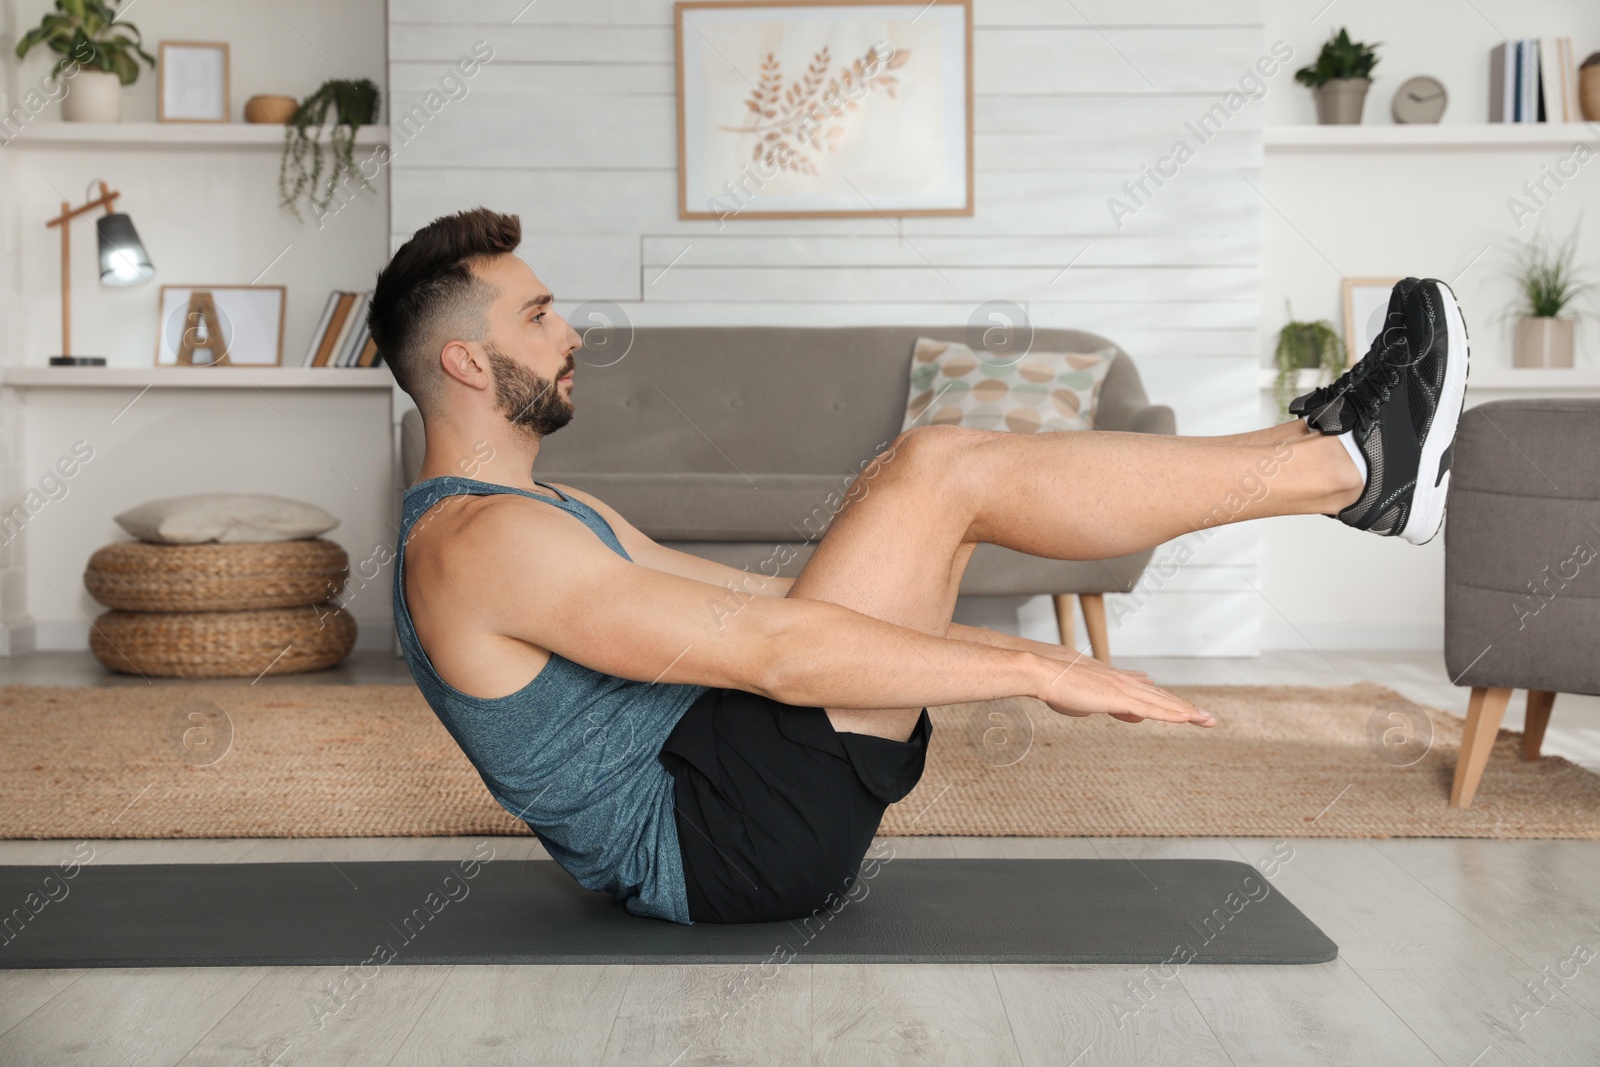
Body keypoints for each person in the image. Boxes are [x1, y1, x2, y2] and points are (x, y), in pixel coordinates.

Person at [372, 209, 1468, 925]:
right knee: (939, 470)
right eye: (537, 314)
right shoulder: (480, 542)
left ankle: (1334, 451)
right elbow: (779, 653)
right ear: (467, 360)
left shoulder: (544, 507)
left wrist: (898, 567)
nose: (570, 333)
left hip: (725, 784)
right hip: (722, 838)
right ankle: (1345, 469)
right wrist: (1036, 669)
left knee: (927, 477)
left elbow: (751, 602)